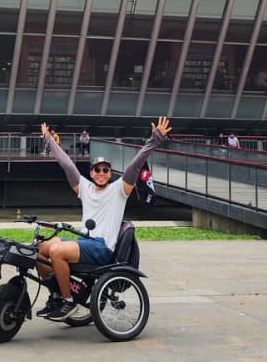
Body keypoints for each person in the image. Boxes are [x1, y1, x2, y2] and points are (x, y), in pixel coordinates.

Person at [35, 116, 170, 320]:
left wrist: (154, 140)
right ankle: (55, 295)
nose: (101, 173)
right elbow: (67, 165)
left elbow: (135, 165)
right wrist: (49, 140)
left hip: (102, 247)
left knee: (56, 250)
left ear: (110, 173)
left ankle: (68, 301)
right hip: (83, 242)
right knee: (38, 249)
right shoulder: (85, 188)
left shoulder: (119, 190)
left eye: (105, 170)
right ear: (91, 172)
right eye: (97, 170)